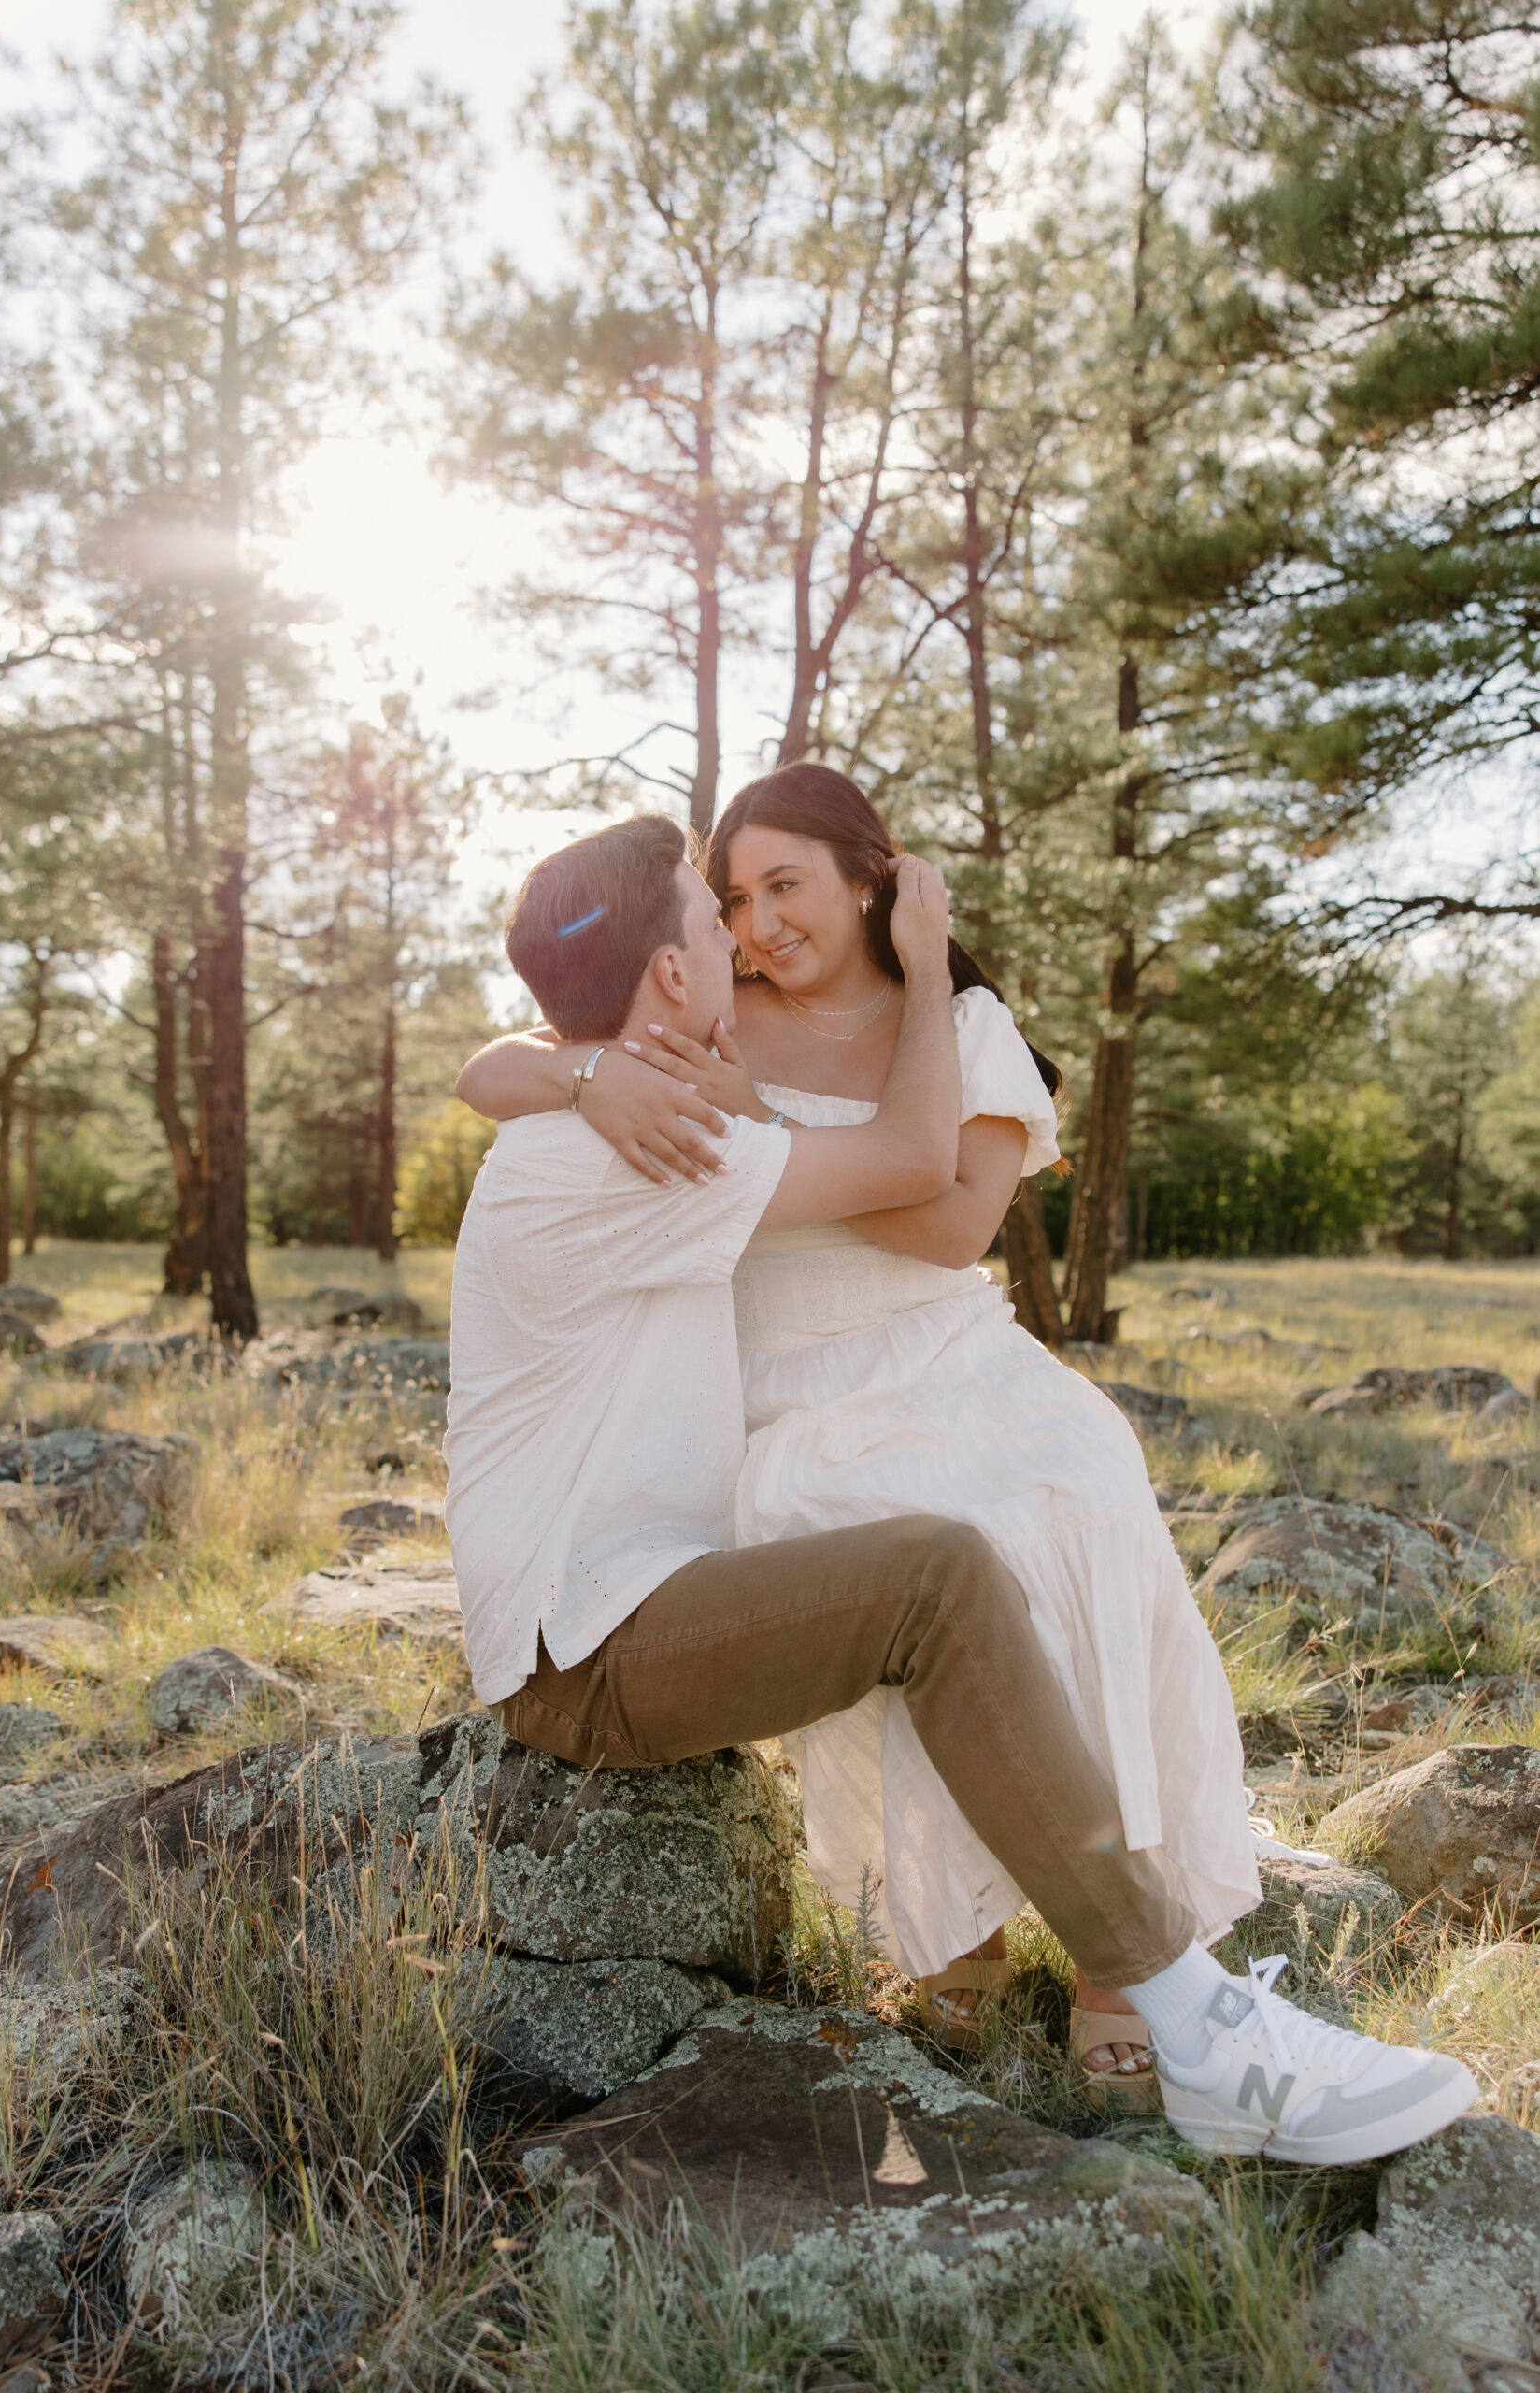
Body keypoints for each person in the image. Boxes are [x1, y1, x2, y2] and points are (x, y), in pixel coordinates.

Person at [446, 805, 1476, 2166]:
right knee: (934, 1574)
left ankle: (1159, 1993)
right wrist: (588, 1079)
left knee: (959, 1557)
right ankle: (1201, 2027)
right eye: (712, 919)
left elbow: (911, 1194)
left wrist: (580, 1072)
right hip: (584, 1646)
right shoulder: (646, 1144)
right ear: (678, 975)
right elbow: (903, 1169)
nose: (742, 935)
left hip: (629, 1599)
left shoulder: (636, 1117)